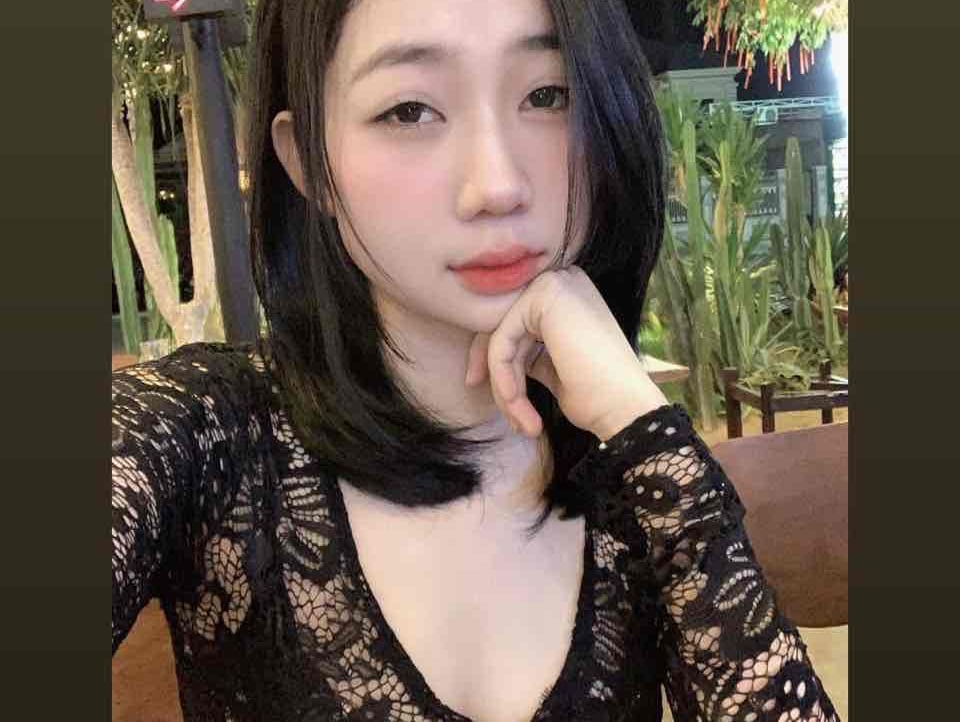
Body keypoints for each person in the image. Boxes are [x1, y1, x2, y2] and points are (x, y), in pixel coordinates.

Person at [112, 1, 840, 720]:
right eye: (409, 111)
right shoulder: (204, 435)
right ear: (307, 159)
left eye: (547, 95)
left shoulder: (632, 477)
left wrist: (644, 430)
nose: (498, 185)